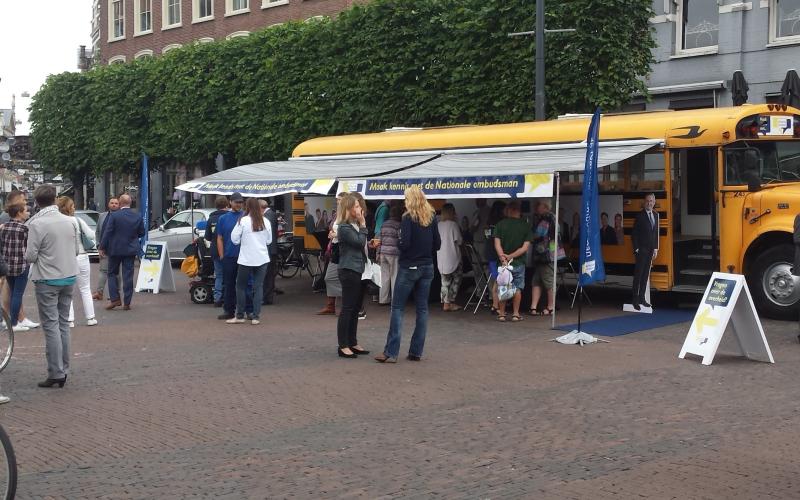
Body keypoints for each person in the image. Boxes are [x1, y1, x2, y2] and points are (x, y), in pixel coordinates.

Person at [375, 186, 440, 363]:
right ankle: (416, 351)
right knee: (422, 309)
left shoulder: (407, 218)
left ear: (410, 200)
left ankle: (391, 352)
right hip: (427, 266)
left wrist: (402, 244)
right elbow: (438, 244)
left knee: (397, 308)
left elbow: (405, 244)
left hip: (409, 266)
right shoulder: (431, 217)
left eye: (405, 198)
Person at [26, 184, 79, 388]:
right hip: (68, 276)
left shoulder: (37, 224)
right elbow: (75, 250)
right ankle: (64, 368)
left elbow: (31, 256)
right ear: (55, 198)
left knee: (51, 326)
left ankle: (55, 371)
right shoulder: (70, 221)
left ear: (37, 202)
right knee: (63, 324)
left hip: (47, 279)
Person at [335, 193, 370, 359]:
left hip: (359, 269)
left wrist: (369, 242)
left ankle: (353, 341)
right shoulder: (344, 227)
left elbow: (361, 243)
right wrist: (363, 226)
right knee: (348, 308)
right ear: (349, 209)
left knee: (356, 308)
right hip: (349, 270)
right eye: (356, 206)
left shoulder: (354, 225)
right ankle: (343, 345)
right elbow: (358, 242)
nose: (360, 208)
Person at [228, 198, 272, 325]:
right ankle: (256, 317)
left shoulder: (243, 220)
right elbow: (269, 241)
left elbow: (234, 238)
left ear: (247, 207)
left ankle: (240, 315)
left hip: (246, 258)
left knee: (240, 286)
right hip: (262, 257)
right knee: (258, 287)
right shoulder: (266, 221)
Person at [99, 194, 145, 311]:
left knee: (112, 274)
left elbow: (107, 232)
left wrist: (102, 247)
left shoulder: (114, 216)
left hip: (115, 249)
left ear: (120, 203)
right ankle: (127, 303)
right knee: (128, 276)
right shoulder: (137, 216)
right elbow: (141, 233)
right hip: (130, 250)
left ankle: (115, 299)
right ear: (130, 203)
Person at [57, 197, 98, 327]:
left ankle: (70, 319)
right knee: (85, 288)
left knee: (67, 290)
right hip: (82, 256)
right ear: (68, 207)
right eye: (72, 205)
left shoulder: (57, 222)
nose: (74, 208)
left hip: (66, 258)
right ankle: (90, 318)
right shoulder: (78, 221)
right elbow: (91, 235)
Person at [493, 201, 533, 322]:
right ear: (519, 211)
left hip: (503, 264)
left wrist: (503, 257)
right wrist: (511, 256)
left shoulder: (500, 224)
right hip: (518, 263)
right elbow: (525, 247)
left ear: (508, 210)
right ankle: (515, 314)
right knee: (517, 288)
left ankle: (502, 314)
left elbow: (497, 244)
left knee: (503, 286)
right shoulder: (525, 226)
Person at [215, 192, 250, 320]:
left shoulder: (246, 217)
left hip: (244, 257)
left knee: (246, 284)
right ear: (230, 202)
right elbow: (219, 238)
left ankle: (248, 310)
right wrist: (222, 255)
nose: (239, 205)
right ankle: (229, 310)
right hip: (229, 256)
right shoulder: (223, 219)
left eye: (241, 202)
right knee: (229, 284)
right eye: (236, 202)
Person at [0, 202, 31, 332]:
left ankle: (15, 321)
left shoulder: (4, 227)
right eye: (25, 211)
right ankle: (14, 323)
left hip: (7, 265)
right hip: (21, 265)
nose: (28, 213)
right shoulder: (25, 229)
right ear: (19, 213)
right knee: (18, 294)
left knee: (13, 293)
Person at [529, 201, 559, 316]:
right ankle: (533, 306)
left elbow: (537, 235)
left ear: (545, 207)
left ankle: (550, 307)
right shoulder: (551, 218)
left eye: (539, 205)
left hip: (545, 255)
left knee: (548, 281)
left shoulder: (547, 219)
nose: (536, 208)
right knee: (537, 280)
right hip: (545, 254)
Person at [318, 193, 345, 315]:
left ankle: (342, 304)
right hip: (334, 247)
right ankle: (331, 305)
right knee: (329, 277)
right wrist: (331, 233)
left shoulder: (348, 215)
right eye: (337, 200)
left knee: (340, 277)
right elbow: (332, 227)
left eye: (340, 200)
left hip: (342, 248)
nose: (338, 202)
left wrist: (337, 235)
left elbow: (350, 232)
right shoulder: (337, 214)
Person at [631, 193, 659, 310]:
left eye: (651, 201)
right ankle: (635, 300)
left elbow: (655, 233)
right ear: (644, 202)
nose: (649, 203)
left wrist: (656, 248)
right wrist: (637, 249)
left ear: (654, 202)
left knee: (645, 276)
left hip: (650, 250)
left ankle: (642, 299)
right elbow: (634, 234)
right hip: (641, 250)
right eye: (647, 201)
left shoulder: (655, 215)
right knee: (638, 276)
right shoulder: (640, 216)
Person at [204, 196, 230, 307]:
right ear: (227, 204)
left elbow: (207, 237)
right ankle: (228, 297)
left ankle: (217, 298)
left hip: (215, 250)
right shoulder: (229, 217)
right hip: (229, 250)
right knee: (230, 275)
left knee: (219, 275)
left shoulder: (211, 219)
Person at [93, 197, 120, 301]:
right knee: (103, 271)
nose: (113, 205)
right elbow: (98, 232)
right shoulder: (102, 216)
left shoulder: (120, 217)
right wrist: (98, 245)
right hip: (104, 249)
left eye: (116, 203)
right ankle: (99, 292)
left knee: (117, 273)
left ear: (119, 205)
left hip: (117, 249)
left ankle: (114, 294)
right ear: (108, 204)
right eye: (112, 203)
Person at [437, 203, 463, 312]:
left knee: (444, 281)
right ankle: (450, 301)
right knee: (457, 279)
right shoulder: (453, 225)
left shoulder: (438, 225)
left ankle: (445, 303)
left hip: (441, 256)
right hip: (452, 256)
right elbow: (459, 241)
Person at [378, 204, 402, 305]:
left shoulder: (384, 224)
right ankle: (395, 300)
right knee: (395, 276)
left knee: (384, 277)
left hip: (383, 252)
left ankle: (383, 300)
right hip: (394, 253)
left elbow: (380, 239)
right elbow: (400, 239)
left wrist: (378, 252)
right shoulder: (398, 225)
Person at [486, 201, 507, 314]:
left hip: (490, 253)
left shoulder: (489, 222)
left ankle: (495, 305)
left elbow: (487, 236)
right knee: (498, 280)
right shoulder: (500, 223)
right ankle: (496, 305)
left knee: (496, 279)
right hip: (496, 254)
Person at [260, 199, 279, 305]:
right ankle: (267, 297)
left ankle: (266, 298)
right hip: (272, 249)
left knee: (267, 274)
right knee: (269, 274)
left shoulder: (268, 216)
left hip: (269, 249)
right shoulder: (271, 214)